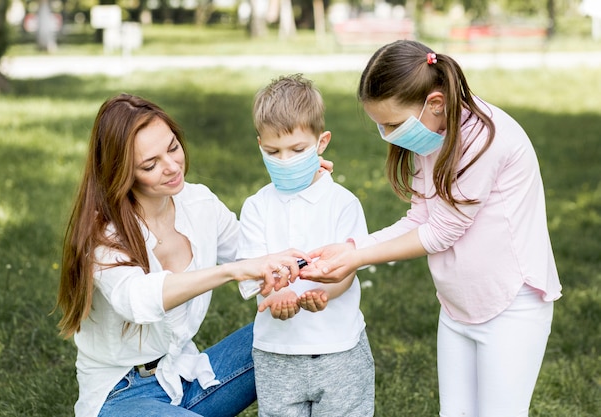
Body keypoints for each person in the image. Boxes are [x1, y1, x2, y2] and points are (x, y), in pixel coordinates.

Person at [299, 40, 562, 417]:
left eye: (391, 123)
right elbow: (420, 218)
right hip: (457, 304)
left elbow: (441, 232)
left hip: (510, 305)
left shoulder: (484, 141)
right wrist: (352, 246)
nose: (386, 133)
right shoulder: (435, 132)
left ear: (434, 102)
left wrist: (357, 258)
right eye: (380, 124)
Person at [55, 93, 310, 417]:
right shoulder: (103, 233)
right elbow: (138, 301)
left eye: (173, 147)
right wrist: (232, 271)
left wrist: (305, 186)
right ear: (122, 172)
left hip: (186, 374)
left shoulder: (199, 202)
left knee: (296, 329)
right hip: (122, 396)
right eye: (151, 164)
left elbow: (257, 252)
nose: (173, 166)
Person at [237, 74, 375, 417]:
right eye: (273, 151)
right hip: (276, 352)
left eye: (297, 150)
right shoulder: (257, 206)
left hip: (339, 349)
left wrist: (329, 291)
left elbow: (348, 268)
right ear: (259, 145)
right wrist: (273, 294)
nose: (285, 160)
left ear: (321, 142)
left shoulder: (343, 203)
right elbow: (251, 274)